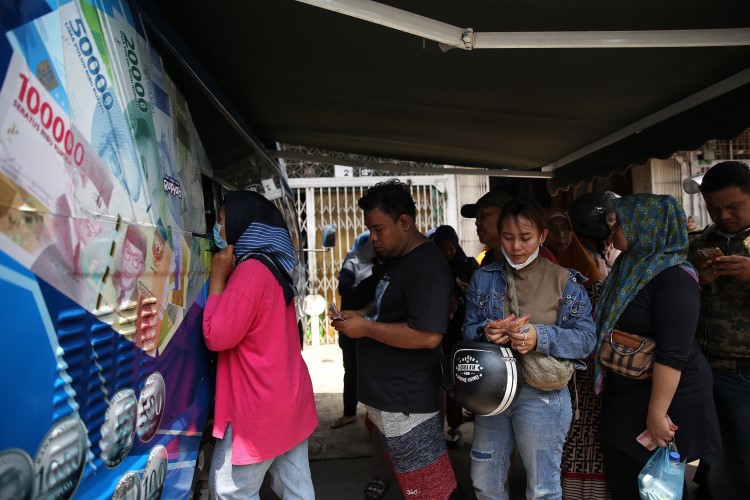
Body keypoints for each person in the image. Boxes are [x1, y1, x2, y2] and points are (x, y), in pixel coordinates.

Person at [462, 197, 597, 499]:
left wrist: (540, 336)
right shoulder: (484, 278)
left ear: (543, 236)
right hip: (492, 394)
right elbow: (466, 330)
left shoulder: (565, 281)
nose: (516, 246)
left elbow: (587, 339)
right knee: (485, 482)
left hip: (543, 396)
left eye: (526, 237)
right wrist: (485, 333)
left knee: (543, 489)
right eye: (508, 237)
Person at [331, 179, 457, 499]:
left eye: (378, 229)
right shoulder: (398, 259)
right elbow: (384, 308)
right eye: (369, 230)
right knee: (412, 487)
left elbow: (428, 336)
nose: (372, 238)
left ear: (405, 222)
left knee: (428, 492)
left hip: (407, 405)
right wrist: (357, 316)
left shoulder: (427, 266)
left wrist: (366, 329)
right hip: (387, 400)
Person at [594, 193, 720, 500]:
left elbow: (673, 353)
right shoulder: (631, 266)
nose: (613, 230)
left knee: (658, 488)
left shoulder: (675, 278)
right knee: (626, 482)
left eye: (621, 223)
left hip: (664, 400)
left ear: (646, 227)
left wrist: (656, 414)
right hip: (626, 394)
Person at [203, 191, 317, 499]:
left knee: (230, 491)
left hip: (257, 411)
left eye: (223, 220)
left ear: (242, 225)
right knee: (296, 489)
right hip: (288, 402)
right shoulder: (273, 264)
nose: (217, 227)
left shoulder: (250, 272)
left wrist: (216, 280)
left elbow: (217, 336)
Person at [686, 160, 750, 498]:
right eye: (715, 208)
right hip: (705, 368)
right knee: (715, 457)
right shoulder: (695, 245)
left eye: (733, 206)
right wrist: (699, 282)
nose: (724, 215)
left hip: (746, 370)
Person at [544, 208, 609, 499]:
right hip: (555, 372)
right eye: (553, 229)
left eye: (565, 229)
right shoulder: (543, 270)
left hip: (587, 373)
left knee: (587, 434)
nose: (561, 235)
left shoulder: (591, 266)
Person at [431, 225, 479, 447]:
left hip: (462, 331)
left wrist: (459, 300)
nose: (449, 252)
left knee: (462, 378)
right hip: (437, 332)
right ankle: (445, 428)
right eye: (444, 248)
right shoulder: (432, 269)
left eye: (452, 247)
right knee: (442, 379)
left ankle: (457, 425)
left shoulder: (468, 266)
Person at [332, 231, 377, 430]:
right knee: (351, 369)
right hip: (351, 327)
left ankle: (372, 416)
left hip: (373, 329)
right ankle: (350, 412)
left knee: (371, 371)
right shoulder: (354, 263)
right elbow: (344, 289)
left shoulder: (384, 264)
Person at [462, 190, 560, 267]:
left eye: (483, 215)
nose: (477, 222)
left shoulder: (541, 257)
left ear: (505, 216)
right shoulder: (487, 261)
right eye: (476, 218)